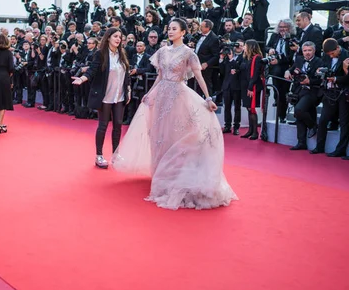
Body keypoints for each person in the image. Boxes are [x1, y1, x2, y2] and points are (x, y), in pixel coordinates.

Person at [111, 18, 238, 210]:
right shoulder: (162, 52)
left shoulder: (189, 53)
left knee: (178, 135)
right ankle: (159, 173)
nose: (170, 31)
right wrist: (149, 93)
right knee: (159, 135)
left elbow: (198, 75)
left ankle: (174, 174)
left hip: (179, 96)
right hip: (161, 96)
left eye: (174, 29)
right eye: (169, 28)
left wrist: (208, 97)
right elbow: (160, 76)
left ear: (183, 32)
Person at [72, 27, 131, 168]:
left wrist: (128, 89)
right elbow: (92, 70)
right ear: (108, 37)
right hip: (105, 96)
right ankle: (99, 155)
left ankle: (116, 155)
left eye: (120, 37)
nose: (118, 39)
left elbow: (126, 73)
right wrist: (82, 79)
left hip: (120, 96)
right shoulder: (101, 54)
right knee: (103, 126)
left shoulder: (122, 53)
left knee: (118, 126)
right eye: (115, 36)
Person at [239, 39, 264, 140]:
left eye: (245, 46)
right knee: (248, 108)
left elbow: (255, 74)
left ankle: (255, 132)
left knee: (252, 108)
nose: (243, 47)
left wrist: (250, 87)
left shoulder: (257, 58)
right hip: (245, 85)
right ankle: (250, 130)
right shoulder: (246, 58)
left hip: (252, 86)